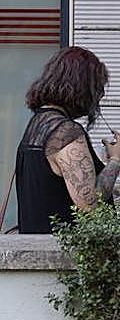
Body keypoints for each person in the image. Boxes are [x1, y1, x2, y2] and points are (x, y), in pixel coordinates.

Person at [16, 45, 120, 234]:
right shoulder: (66, 132)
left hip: (35, 253)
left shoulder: (37, 125)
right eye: (97, 88)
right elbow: (90, 205)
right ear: (82, 87)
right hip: (63, 258)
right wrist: (115, 160)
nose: (100, 96)